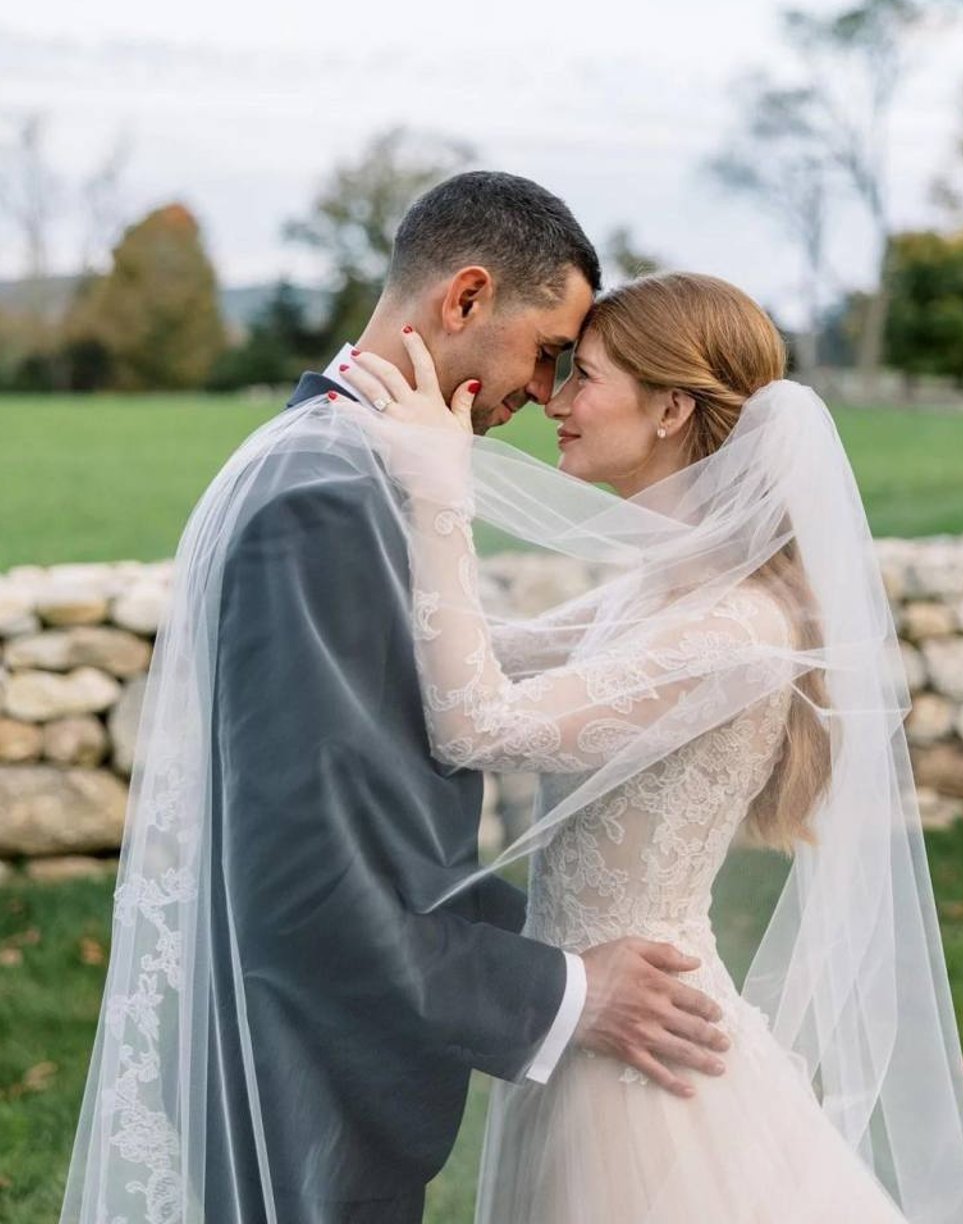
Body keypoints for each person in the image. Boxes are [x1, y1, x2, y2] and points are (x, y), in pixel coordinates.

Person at [59, 176, 731, 1224]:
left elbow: (373, 807)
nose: (546, 391)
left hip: (331, 1036)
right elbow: (306, 875)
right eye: (548, 348)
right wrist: (567, 990)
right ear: (464, 299)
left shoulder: (346, 463)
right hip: (307, 1066)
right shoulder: (327, 495)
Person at [344, 271, 963, 1223]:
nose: (555, 401)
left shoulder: (740, 627)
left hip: (641, 1046)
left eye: (584, 376)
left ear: (672, 407)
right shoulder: (665, 588)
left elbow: (481, 722)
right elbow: (478, 655)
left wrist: (444, 495)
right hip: (589, 1016)